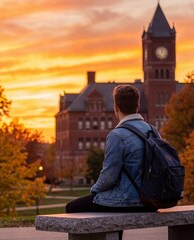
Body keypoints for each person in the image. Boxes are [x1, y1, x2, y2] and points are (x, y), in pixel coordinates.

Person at [66, 85, 157, 213]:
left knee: (72, 207)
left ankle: (103, 234)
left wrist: (94, 191)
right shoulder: (152, 130)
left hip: (129, 201)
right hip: (152, 199)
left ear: (116, 108)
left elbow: (109, 176)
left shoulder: (117, 135)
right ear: (138, 106)